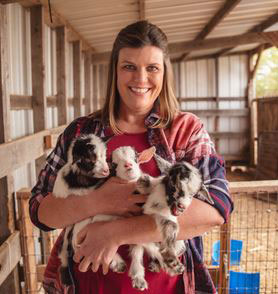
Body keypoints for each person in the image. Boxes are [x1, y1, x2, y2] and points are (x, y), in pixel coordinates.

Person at [29, 20, 233, 294]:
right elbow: (40, 209)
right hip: (88, 285)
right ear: (115, 71)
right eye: (129, 67)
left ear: (164, 73)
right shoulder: (81, 132)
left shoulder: (185, 130)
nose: (140, 79)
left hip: (166, 286)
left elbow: (215, 208)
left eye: (152, 68)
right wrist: (97, 201)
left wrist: (116, 232)